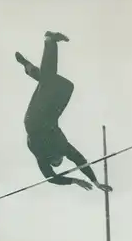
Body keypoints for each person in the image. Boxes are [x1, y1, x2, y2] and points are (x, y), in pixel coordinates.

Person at [16, 31, 112, 192]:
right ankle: (30, 68)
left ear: (52, 160)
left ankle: (49, 41)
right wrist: (94, 182)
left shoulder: (43, 157)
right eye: (60, 160)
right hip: (50, 117)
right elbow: (80, 161)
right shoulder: (64, 148)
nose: (58, 160)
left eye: (56, 162)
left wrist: (74, 181)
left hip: (35, 122)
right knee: (65, 86)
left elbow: (51, 178)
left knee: (49, 81)